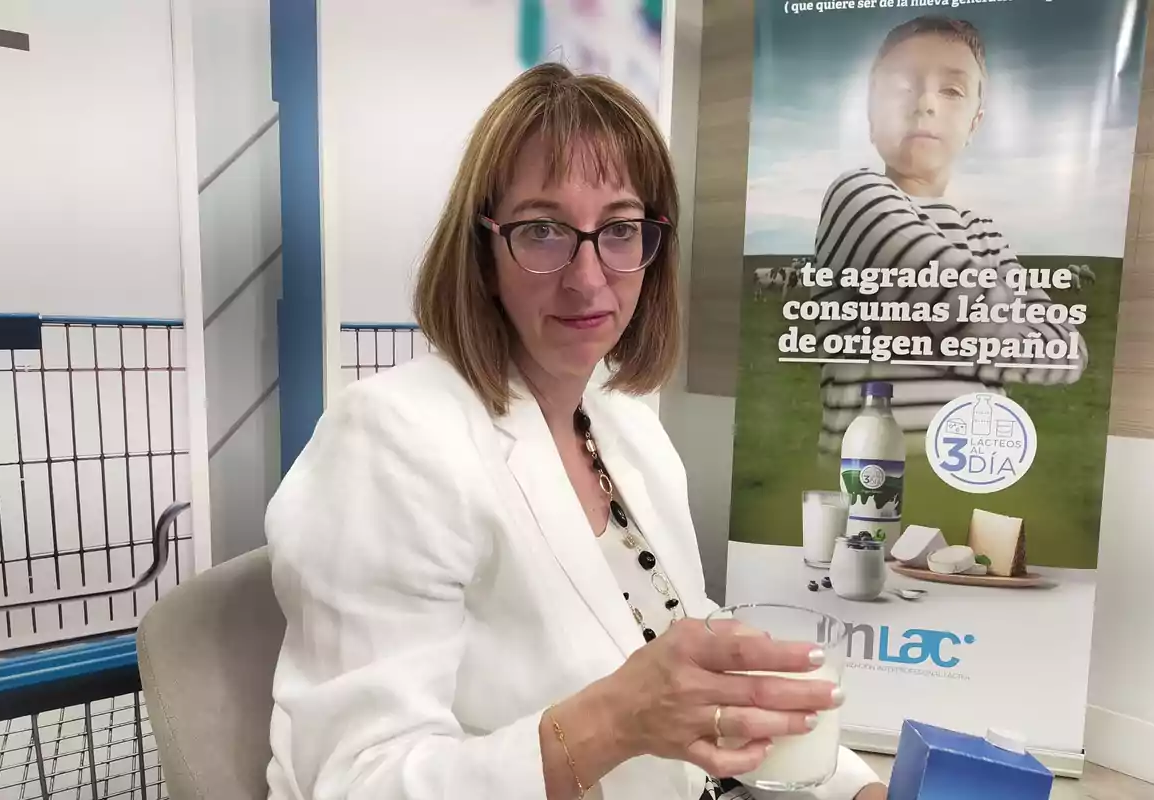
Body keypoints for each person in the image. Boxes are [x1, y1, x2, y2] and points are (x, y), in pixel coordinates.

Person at [263, 64, 886, 800]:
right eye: (543, 231)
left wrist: (850, 784)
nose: (589, 279)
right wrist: (613, 720)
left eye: (621, 230)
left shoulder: (628, 427)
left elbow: (686, 636)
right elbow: (353, 783)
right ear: (481, 252)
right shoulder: (392, 438)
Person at [813, 16, 1089, 454]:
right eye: (902, 86)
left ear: (974, 123)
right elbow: (973, 321)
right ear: (869, 113)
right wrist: (995, 332)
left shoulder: (985, 233)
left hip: (978, 476)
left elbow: (1066, 352)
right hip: (869, 478)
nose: (924, 103)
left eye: (952, 91)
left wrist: (938, 328)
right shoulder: (856, 196)